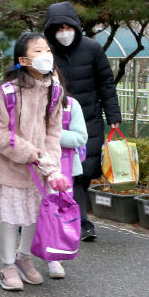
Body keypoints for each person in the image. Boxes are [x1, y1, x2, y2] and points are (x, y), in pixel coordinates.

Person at [0, 31, 69, 291]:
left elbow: (54, 130)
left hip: (40, 167)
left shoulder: (55, 90)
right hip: (8, 166)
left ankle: (23, 258)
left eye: (47, 50)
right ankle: (7, 265)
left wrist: (50, 161)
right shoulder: (7, 92)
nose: (45, 56)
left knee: (35, 214)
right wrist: (28, 152)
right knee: (10, 217)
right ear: (22, 59)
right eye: (38, 51)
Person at [43, 2, 122, 241]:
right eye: (58, 28)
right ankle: (81, 220)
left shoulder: (93, 49)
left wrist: (114, 117)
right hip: (56, 121)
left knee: (85, 171)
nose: (64, 32)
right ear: (50, 31)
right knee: (66, 172)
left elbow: (106, 84)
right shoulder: (45, 53)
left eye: (68, 27)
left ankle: (72, 212)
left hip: (89, 120)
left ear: (76, 26)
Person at [47, 70, 88, 279]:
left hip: (63, 168)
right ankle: (22, 255)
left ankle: (55, 259)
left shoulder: (71, 105)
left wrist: (51, 134)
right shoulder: (27, 103)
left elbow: (80, 137)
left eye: (52, 72)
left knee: (58, 212)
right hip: (33, 166)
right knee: (33, 212)